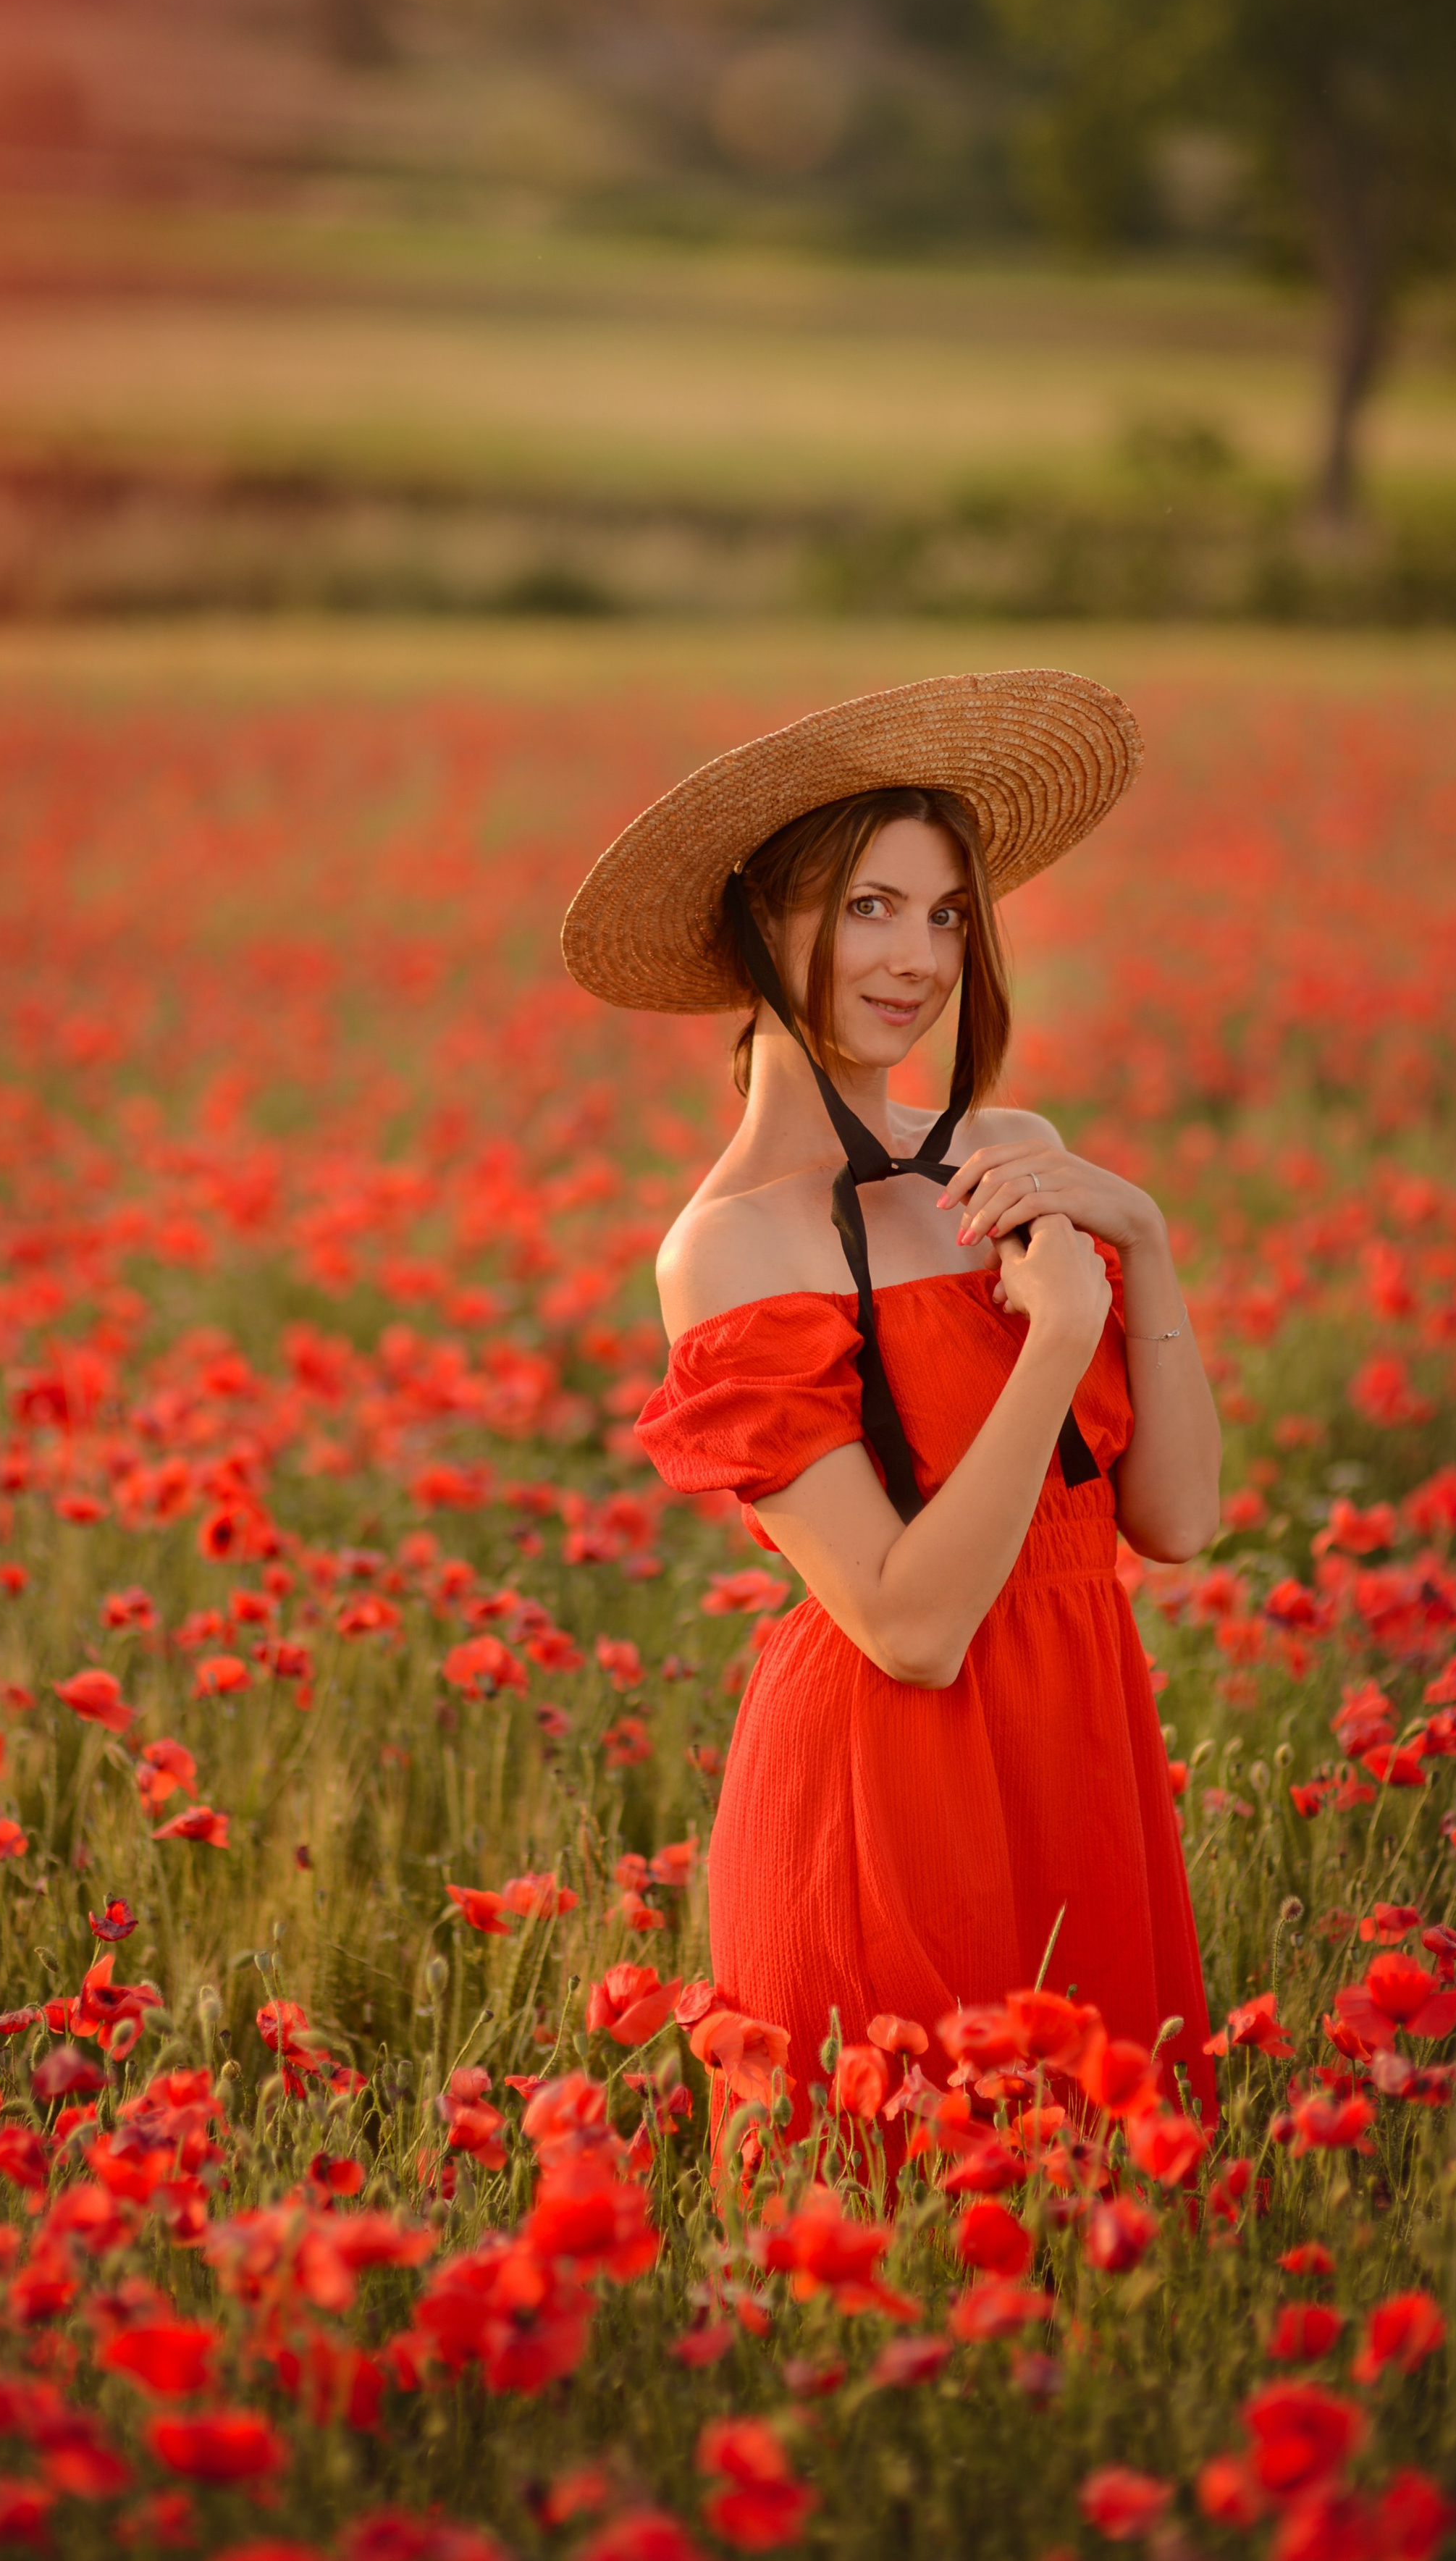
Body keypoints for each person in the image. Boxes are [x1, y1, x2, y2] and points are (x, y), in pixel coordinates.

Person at [561, 670, 1221, 2146]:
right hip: (884, 1790)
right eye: (866, 907)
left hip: (1078, 1752)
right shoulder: (730, 1246)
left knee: (1105, 2237)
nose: (913, 956)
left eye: (942, 914)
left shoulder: (1010, 1150)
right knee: (913, 2224)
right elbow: (907, 1628)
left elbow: (1172, 1521)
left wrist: (1145, 1242)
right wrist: (1053, 1340)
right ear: (758, 928)